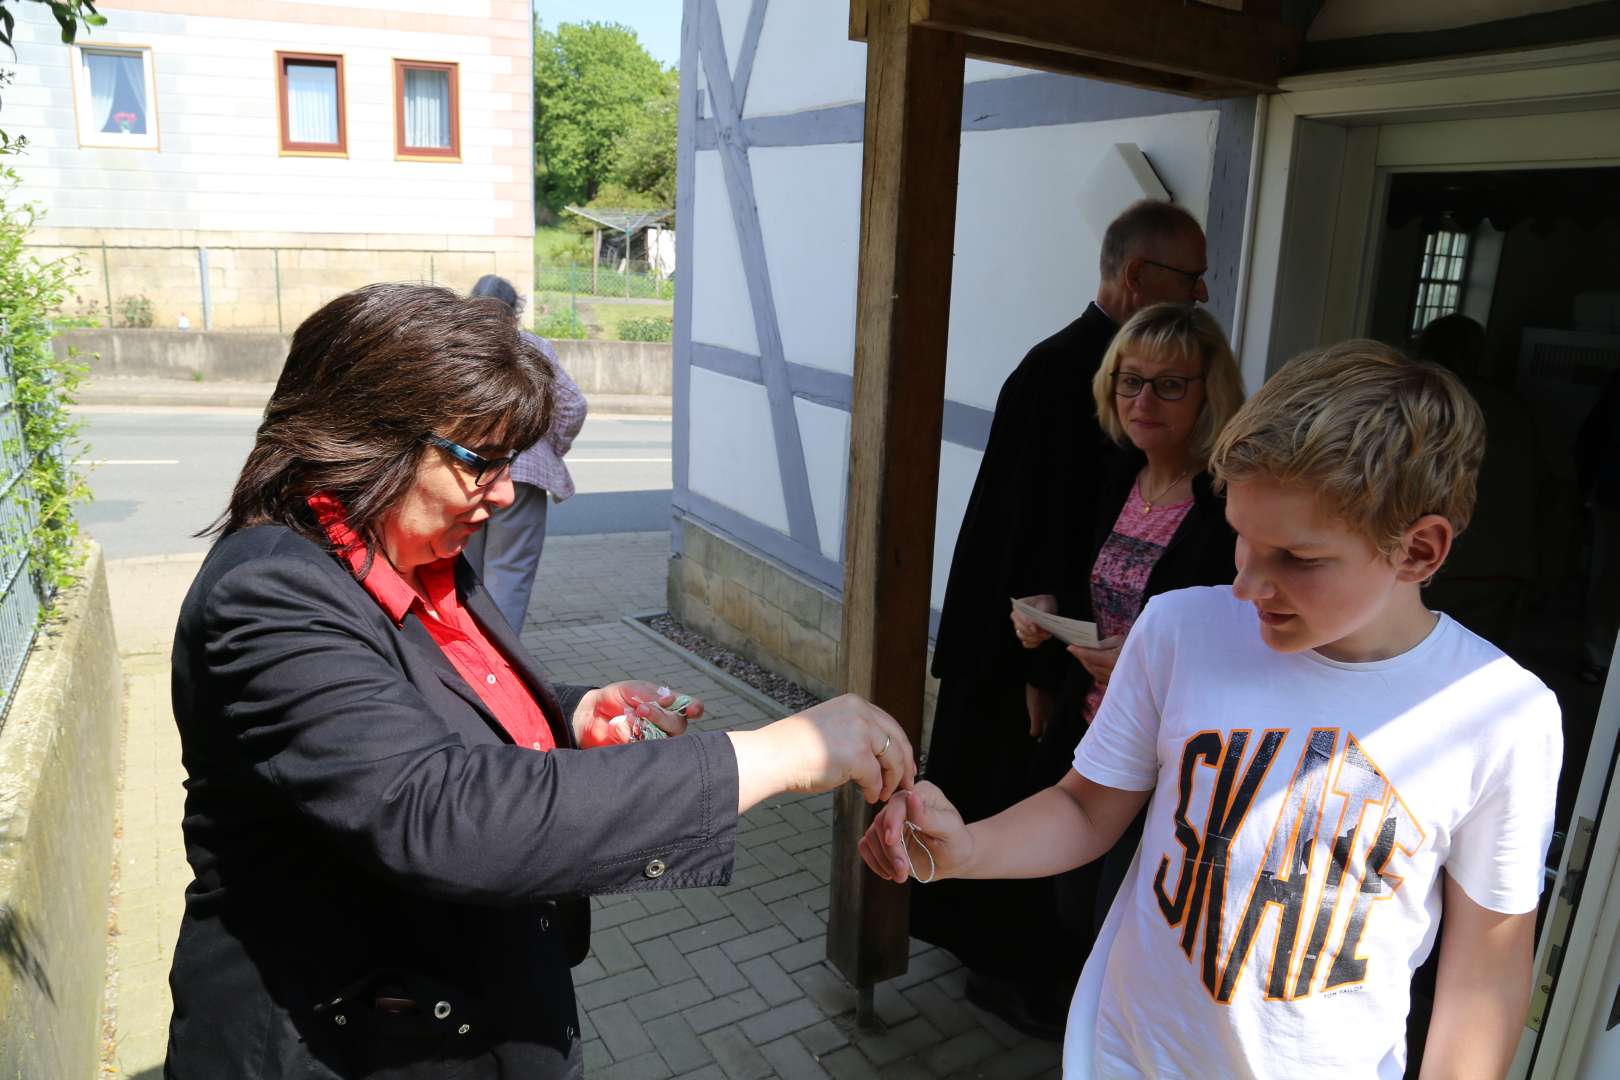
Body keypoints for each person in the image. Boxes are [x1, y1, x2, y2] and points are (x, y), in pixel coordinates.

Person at [166, 283, 915, 1079]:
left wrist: (570, 714)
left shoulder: (409, 551)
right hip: (345, 1046)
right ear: (364, 435)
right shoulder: (273, 593)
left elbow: (420, 706)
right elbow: (437, 809)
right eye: (478, 463)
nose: (499, 493)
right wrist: (769, 755)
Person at [865, 341, 1562, 1078]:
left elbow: (1484, 974)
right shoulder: (1179, 632)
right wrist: (965, 849)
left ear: (1419, 550)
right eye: (1240, 539)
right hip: (1126, 1059)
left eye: (1295, 557)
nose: (1246, 584)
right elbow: (1084, 810)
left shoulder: (1503, 716)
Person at [920, 199, 1210, 1035]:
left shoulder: (1122, 397)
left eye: (1168, 387)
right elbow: (1034, 534)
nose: (1200, 292)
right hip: (1032, 656)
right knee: (1015, 819)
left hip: (1070, 662)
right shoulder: (1064, 373)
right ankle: (1007, 977)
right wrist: (1040, 665)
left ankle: (1036, 977)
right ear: (1133, 277)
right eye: (1189, 277)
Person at [1008, 303, 1244, 950]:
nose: (1143, 399)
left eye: (1170, 384)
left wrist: (1150, 667)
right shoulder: (1116, 478)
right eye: (1129, 380)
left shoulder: (1231, 505)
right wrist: (1048, 622)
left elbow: (1247, 644)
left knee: (1119, 926)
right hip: (1093, 731)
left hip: (1168, 760)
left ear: (1209, 394)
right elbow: (1103, 602)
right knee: (1070, 906)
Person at [461, 274, 587, 632]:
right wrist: (549, 447)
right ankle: (503, 664)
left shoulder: (458, 345)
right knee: (510, 570)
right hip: (522, 474)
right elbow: (572, 406)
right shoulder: (533, 347)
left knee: (462, 569)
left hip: (464, 469)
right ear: (515, 311)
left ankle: (466, 656)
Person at [1410, 314, 1541, 650]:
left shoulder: (1407, 411)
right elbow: (1554, 487)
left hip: (1431, 563)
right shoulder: (1514, 409)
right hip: (1496, 561)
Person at [1576, 369, 1620, 683]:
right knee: (1607, 575)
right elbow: (1593, 437)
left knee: (1607, 575)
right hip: (1614, 492)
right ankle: (1599, 654)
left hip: (1611, 489)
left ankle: (1599, 655)